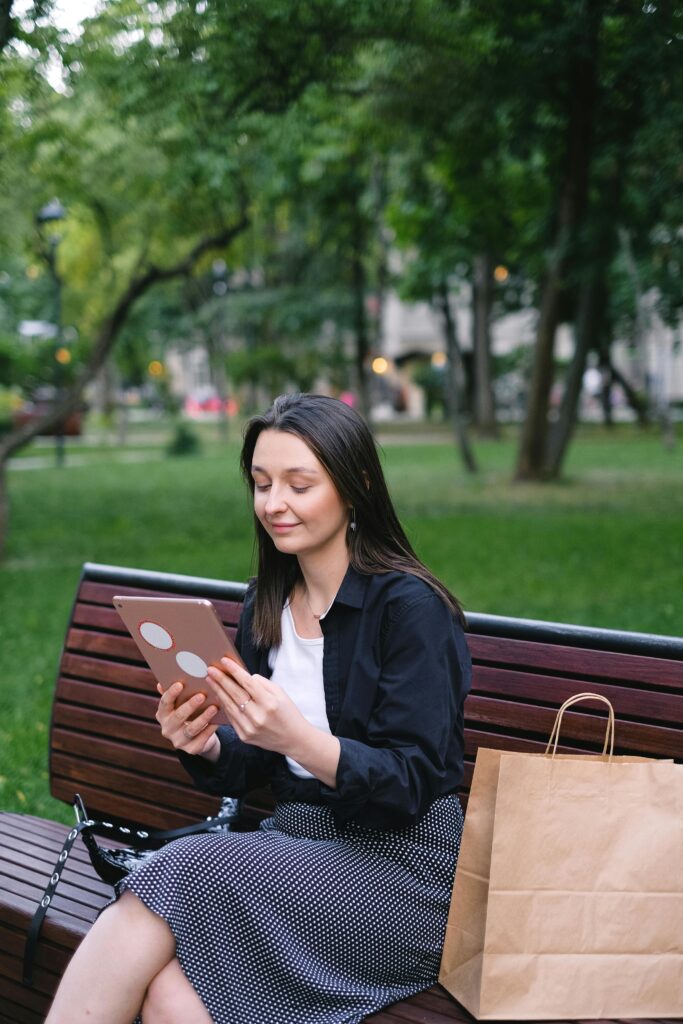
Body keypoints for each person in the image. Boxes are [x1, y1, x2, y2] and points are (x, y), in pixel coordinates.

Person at [46, 392, 472, 1024]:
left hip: (403, 872)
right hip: (294, 847)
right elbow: (253, 762)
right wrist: (209, 744)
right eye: (262, 483)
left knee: (176, 873)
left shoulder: (409, 609)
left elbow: (411, 783)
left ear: (355, 487)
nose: (275, 504)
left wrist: (299, 740)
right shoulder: (267, 605)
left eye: (300, 484)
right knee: (169, 994)